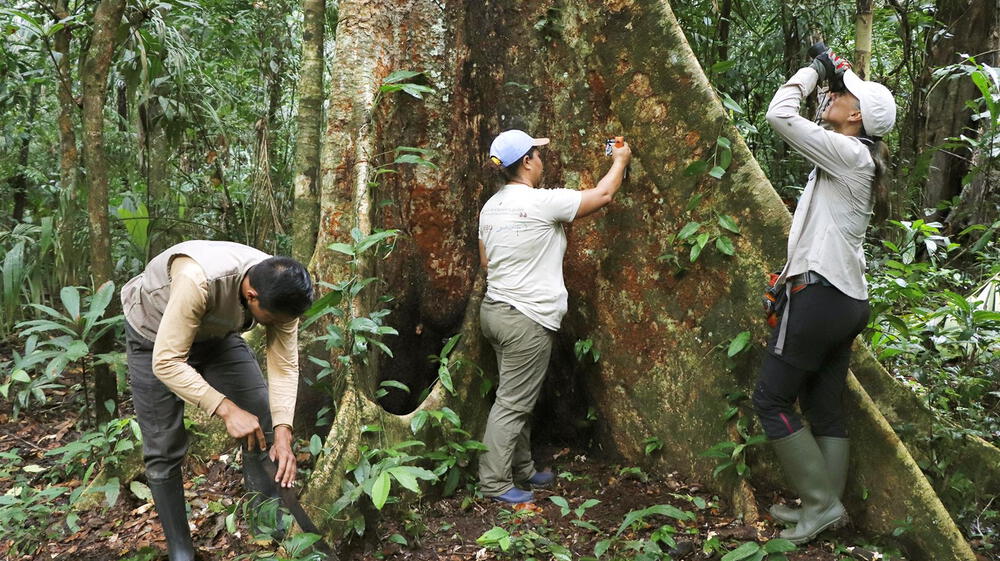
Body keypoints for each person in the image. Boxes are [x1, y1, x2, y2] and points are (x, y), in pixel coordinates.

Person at [752, 49, 896, 544]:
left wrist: (813, 71)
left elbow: (778, 114)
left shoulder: (851, 152)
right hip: (847, 300)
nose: (834, 93)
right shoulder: (855, 154)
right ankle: (825, 508)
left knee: (771, 399)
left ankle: (819, 505)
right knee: (826, 407)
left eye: (843, 92)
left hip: (821, 296)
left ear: (857, 115)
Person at [121, 240, 313, 560]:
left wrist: (283, 431)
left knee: (263, 416)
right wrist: (226, 409)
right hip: (153, 337)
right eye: (273, 319)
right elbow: (167, 362)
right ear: (252, 296)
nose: (281, 326)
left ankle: (264, 530)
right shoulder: (198, 279)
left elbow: (284, 365)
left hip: (216, 338)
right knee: (163, 447)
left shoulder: (282, 290)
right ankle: (181, 550)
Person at [477, 129, 631, 504]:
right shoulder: (541, 203)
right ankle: (493, 483)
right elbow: (603, 195)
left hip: (495, 311)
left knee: (517, 395)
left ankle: (523, 468)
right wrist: (620, 160)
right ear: (527, 161)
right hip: (524, 320)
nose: (542, 160)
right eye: (538, 154)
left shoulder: (490, 207)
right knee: (512, 403)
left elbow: (486, 262)